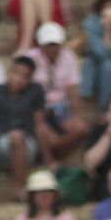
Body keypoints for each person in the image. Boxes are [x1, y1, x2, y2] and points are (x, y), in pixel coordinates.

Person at [0, 56, 41, 203]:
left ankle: (19, 191)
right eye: (16, 73)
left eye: (25, 76)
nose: (19, 79)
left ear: (30, 79)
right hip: (0, 141)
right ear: (9, 73)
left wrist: (47, 158)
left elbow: (40, 124)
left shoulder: (36, 91)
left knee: (16, 136)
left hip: (26, 144)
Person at [24, 22, 89, 164]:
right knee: (43, 129)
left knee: (80, 129)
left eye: (55, 44)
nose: (52, 48)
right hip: (38, 108)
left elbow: (73, 90)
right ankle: (49, 159)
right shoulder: (30, 58)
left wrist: (78, 116)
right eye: (48, 45)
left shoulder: (68, 57)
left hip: (60, 107)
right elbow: (26, 88)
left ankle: (52, 155)